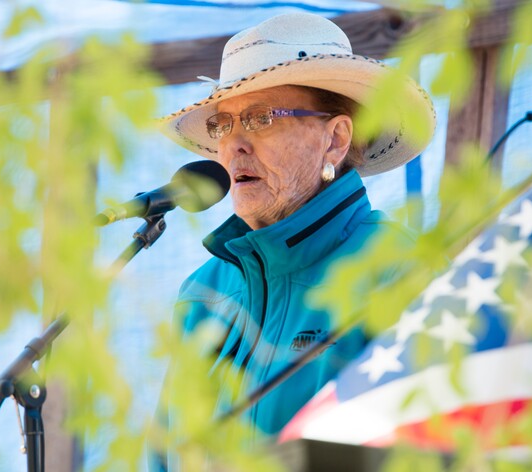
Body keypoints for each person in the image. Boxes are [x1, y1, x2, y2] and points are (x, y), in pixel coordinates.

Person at [155, 10, 436, 460]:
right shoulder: (202, 293)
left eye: (261, 118)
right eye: (221, 125)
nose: (234, 146)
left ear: (336, 140)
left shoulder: (402, 272)